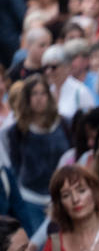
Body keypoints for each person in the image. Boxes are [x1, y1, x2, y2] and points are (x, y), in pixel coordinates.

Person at [6, 75, 72, 225]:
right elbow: (15, 164)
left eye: (43, 93)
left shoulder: (64, 124)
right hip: (31, 198)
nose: (39, 98)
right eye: (34, 94)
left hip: (63, 195)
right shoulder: (17, 130)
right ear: (27, 98)